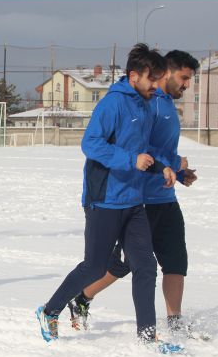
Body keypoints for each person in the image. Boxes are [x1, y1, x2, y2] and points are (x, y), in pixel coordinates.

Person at [35, 44, 179, 350]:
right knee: (95, 267)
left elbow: (143, 149)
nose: (156, 86)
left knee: (145, 266)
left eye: (158, 79)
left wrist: (163, 167)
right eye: (151, 79)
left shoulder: (144, 105)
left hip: (134, 201)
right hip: (104, 200)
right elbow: (91, 144)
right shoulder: (112, 104)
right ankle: (49, 310)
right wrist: (130, 160)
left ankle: (147, 337)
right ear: (134, 76)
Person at [67, 50, 201, 335]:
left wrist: (177, 172)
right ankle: (83, 297)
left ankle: (175, 322)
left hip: (165, 197)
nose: (187, 85)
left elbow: (159, 152)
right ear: (167, 73)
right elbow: (140, 147)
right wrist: (173, 162)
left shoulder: (166, 103)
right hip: (140, 197)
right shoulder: (148, 102)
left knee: (176, 260)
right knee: (124, 264)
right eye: (184, 77)